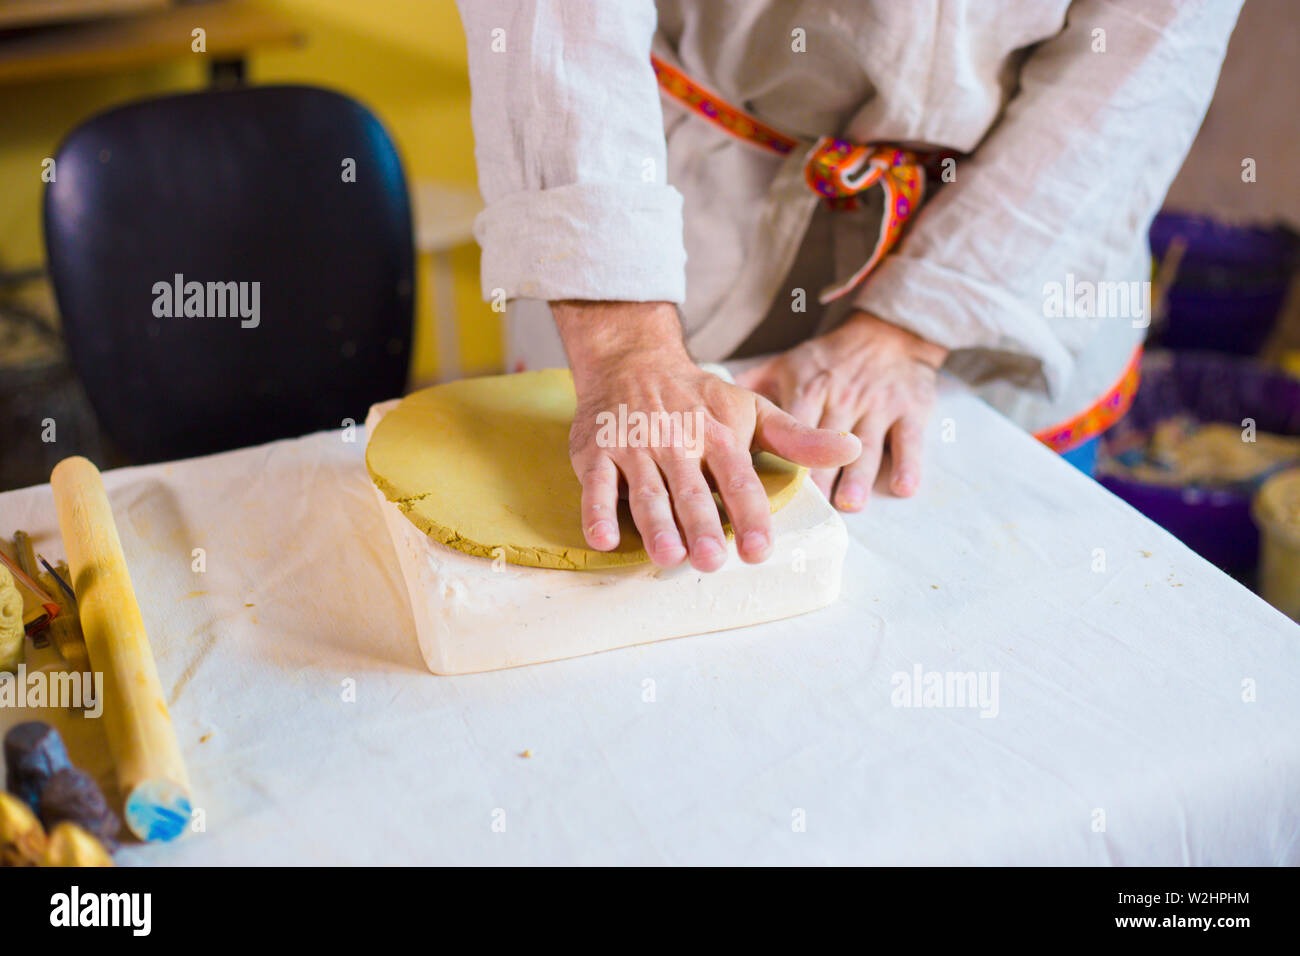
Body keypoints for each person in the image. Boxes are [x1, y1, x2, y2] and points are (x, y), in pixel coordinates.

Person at [454, 0, 1240, 572]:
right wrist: (625, 341)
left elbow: (1153, 46)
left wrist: (917, 323)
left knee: (996, 620)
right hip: (665, 217)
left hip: (1029, 244)